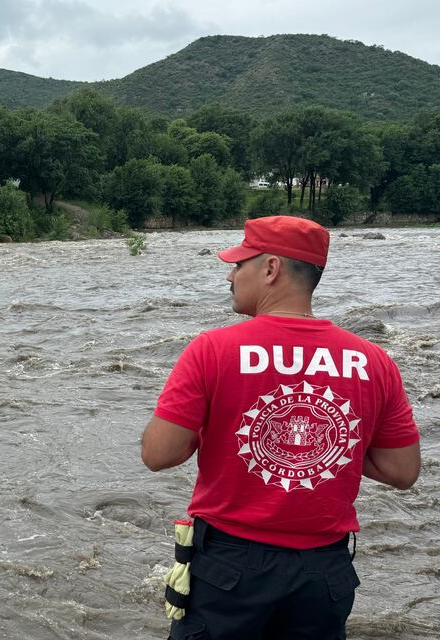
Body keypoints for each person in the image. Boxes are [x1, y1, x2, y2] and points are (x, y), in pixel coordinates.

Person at [141, 216, 420, 640]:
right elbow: (403, 471)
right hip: (324, 573)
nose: (230, 276)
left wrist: (219, 427)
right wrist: (335, 445)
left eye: (239, 264)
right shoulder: (374, 361)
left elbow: (158, 454)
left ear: (270, 268)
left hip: (230, 568)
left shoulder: (212, 350)